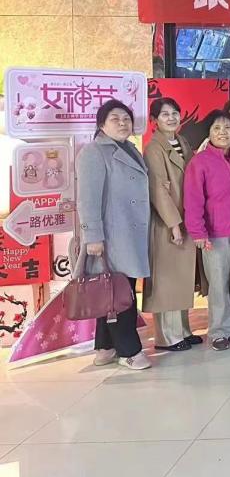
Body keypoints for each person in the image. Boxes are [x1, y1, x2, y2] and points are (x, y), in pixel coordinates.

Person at [77, 100, 151, 370]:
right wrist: (93, 236)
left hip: (128, 232)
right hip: (112, 234)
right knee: (121, 293)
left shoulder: (130, 148)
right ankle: (129, 351)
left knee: (111, 288)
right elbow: (87, 199)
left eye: (126, 118)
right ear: (101, 124)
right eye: (115, 118)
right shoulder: (93, 152)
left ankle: (105, 347)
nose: (122, 123)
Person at [184, 110, 230, 350]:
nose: (223, 133)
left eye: (228, 128)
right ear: (209, 132)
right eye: (217, 128)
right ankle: (219, 332)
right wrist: (198, 232)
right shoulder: (200, 162)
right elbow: (193, 200)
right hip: (215, 234)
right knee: (218, 284)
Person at [142, 98, 200, 352]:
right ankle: (166, 337)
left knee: (180, 278)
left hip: (185, 217)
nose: (171, 118)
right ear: (154, 120)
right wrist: (174, 224)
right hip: (167, 222)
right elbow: (157, 190)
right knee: (166, 281)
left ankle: (183, 330)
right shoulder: (153, 149)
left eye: (175, 113)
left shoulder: (182, 141)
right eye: (165, 114)